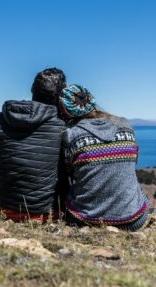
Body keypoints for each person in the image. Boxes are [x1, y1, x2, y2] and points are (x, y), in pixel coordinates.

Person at [58, 84, 150, 230]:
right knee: (139, 193)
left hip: (84, 220)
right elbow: (133, 161)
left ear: (64, 110)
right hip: (133, 220)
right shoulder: (125, 125)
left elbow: (70, 173)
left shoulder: (71, 135)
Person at [0, 68, 68, 222]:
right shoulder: (61, 126)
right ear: (62, 94)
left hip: (6, 208)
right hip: (47, 212)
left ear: (32, 89)